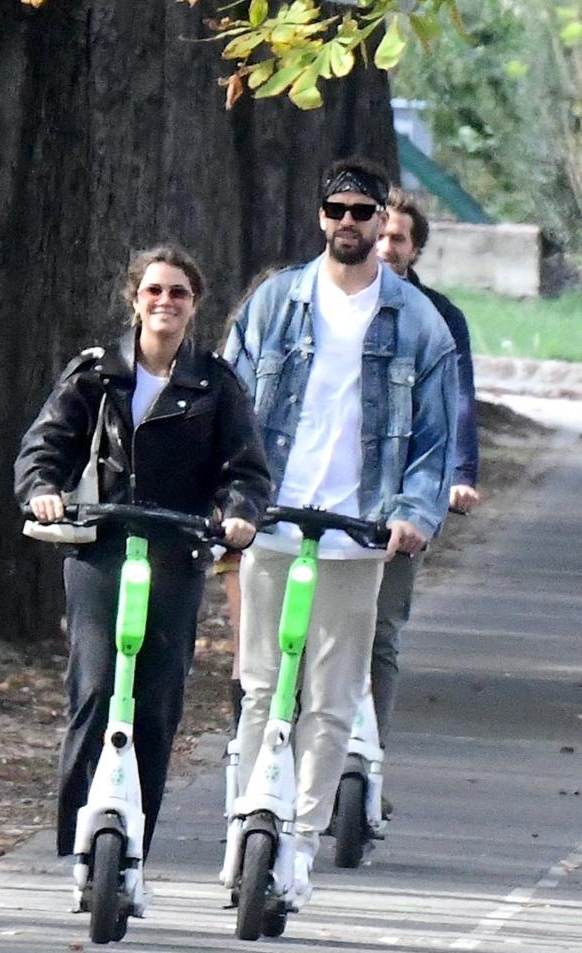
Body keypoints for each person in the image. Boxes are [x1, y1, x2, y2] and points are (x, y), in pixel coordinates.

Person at [224, 155, 458, 901]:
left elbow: (433, 435)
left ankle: (296, 838)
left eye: (364, 212)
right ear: (319, 215)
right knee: (261, 688)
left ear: (384, 218)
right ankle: (246, 820)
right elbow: (230, 403)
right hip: (272, 519)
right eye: (337, 210)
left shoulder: (416, 320)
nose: (349, 224)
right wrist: (229, 496)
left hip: (359, 532)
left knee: (330, 695)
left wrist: (415, 515)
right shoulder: (275, 302)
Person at [14, 244, 271, 861]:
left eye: (178, 293)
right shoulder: (96, 375)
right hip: (102, 549)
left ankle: (134, 846)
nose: (165, 303)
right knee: (98, 688)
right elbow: (42, 449)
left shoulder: (215, 383)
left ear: (194, 306)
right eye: (153, 291)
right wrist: (45, 492)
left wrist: (237, 514)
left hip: (177, 553)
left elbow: (246, 471)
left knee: (156, 705)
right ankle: (77, 837)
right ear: (134, 299)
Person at [373, 188, 480, 759]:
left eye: (398, 238)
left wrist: (459, 473)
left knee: (382, 633)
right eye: (380, 233)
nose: (385, 246)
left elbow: (457, 399)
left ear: (414, 251)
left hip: (405, 489)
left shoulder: (440, 317)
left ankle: (366, 762)